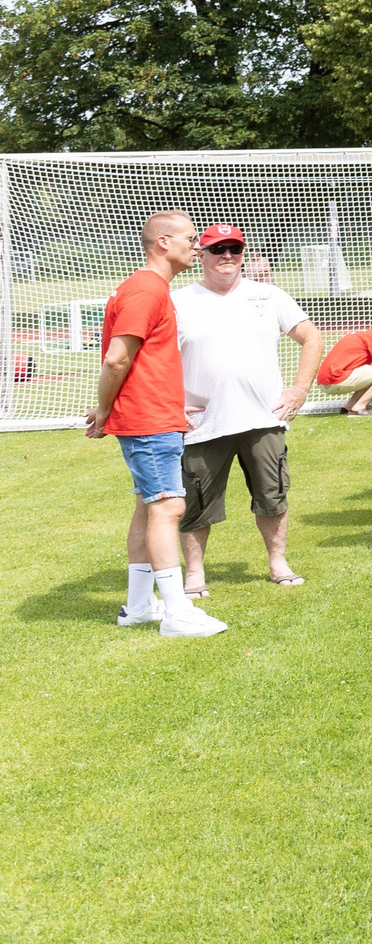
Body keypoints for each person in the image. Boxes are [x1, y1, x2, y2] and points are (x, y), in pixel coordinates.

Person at [90, 211, 224, 637]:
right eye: (189, 237)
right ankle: (176, 613)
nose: (197, 245)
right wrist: (106, 408)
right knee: (169, 507)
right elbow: (117, 357)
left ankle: (138, 606)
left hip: (154, 415)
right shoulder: (147, 290)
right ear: (163, 242)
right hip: (147, 420)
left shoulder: (148, 288)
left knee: (149, 506)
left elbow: (138, 361)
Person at [175, 222, 322, 594]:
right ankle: (194, 575)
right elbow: (153, 359)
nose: (227, 256)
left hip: (263, 419)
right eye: (217, 249)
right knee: (195, 501)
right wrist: (170, 404)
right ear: (201, 255)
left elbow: (311, 337)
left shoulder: (269, 296)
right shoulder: (178, 301)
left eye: (234, 249)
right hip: (202, 423)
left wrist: (299, 390)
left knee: (272, 495)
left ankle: (278, 564)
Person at [318, 325, 372, 417]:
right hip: (336, 379)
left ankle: (349, 407)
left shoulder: (366, 334)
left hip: (325, 381)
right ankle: (359, 408)